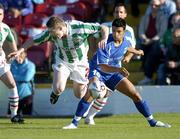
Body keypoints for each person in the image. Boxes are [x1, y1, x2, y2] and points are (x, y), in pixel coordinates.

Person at [62, 18, 171, 129]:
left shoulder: (126, 40)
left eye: (118, 31)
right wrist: (119, 70)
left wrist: (136, 52)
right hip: (97, 71)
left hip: (113, 73)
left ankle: (152, 122)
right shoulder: (105, 44)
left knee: (136, 95)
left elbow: (127, 47)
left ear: (124, 31)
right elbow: (102, 66)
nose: (115, 34)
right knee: (93, 91)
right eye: (113, 31)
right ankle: (74, 123)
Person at [8, 16, 109, 107]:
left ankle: (98, 85)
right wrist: (20, 50)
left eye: (53, 33)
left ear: (61, 28)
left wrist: (104, 38)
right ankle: (55, 93)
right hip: (63, 61)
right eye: (50, 32)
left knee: (79, 95)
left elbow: (103, 28)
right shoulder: (50, 33)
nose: (51, 35)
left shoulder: (80, 27)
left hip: (80, 63)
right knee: (58, 88)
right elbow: (33, 40)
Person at [85, 3, 137, 125]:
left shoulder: (129, 30)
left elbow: (131, 47)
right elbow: (93, 36)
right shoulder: (105, 26)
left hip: (114, 67)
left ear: (125, 14)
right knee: (96, 89)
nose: (118, 14)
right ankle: (82, 112)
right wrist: (93, 51)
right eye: (116, 12)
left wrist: (128, 57)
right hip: (101, 64)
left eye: (121, 12)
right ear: (113, 14)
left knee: (105, 93)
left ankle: (89, 117)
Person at [0, 4, 23, 123]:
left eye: (0, 14)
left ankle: (14, 116)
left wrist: (16, 55)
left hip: (0, 63)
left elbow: (11, 43)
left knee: (12, 84)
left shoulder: (5, 28)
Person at [138, 0, 168, 85]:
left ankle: (148, 76)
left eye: (156, 5)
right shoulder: (145, 17)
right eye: (152, 5)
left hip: (157, 41)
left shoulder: (163, 17)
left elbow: (162, 32)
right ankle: (145, 71)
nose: (154, 7)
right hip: (146, 40)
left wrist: (151, 40)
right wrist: (145, 39)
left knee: (153, 49)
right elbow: (141, 31)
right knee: (141, 47)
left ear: (160, 7)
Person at [8, 51, 36, 117]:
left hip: (26, 95)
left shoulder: (30, 65)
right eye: (16, 55)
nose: (17, 56)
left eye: (20, 54)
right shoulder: (12, 64)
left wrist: (13, 77)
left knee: (27, 117)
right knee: (10, 117)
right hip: (13, 95)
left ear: (25, 54)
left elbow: (26, 78)